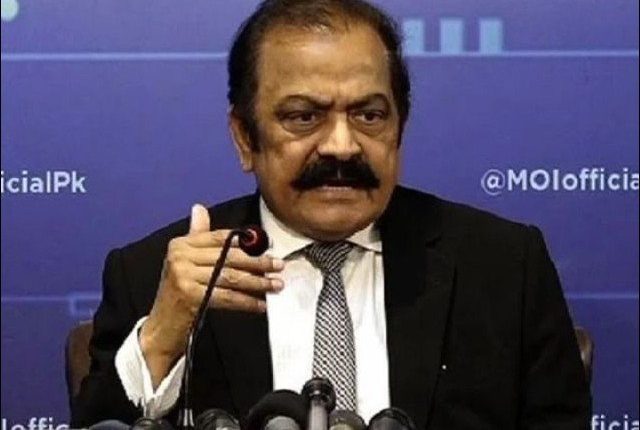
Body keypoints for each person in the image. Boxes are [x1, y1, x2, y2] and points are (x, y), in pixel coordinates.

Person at [71, 0, 591, 428]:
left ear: (400, 127)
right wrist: (161, 338)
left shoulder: (504, 267)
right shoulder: (153, 275)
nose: (342, 146)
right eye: (304, 117)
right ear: (245, 138)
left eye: (369, 115)